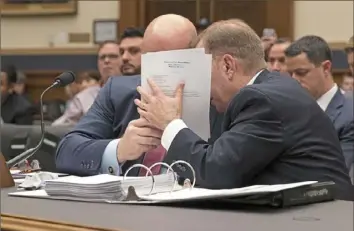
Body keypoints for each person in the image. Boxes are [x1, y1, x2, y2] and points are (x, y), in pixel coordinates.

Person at [134, 19, 351, 190]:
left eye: (200, 71)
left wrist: (170, 123)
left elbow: (215, 172)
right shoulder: (270, 89)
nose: (199, 86)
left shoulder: (263, 100)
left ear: (228, 66)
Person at [55, 14, 224, 176]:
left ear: (196, 58)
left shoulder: (220, 98)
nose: (161, 70)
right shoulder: (118, 92)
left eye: (171, 61)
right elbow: (67, 152)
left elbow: (228, 166)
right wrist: (120, 149)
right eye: (152, 60)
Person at [284, 35, 354, 170]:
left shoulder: (349, 115)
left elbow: (338, 172)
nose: (294, 80)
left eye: (301, 72)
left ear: (326, 68)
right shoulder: (287, 113)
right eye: (290, 74)